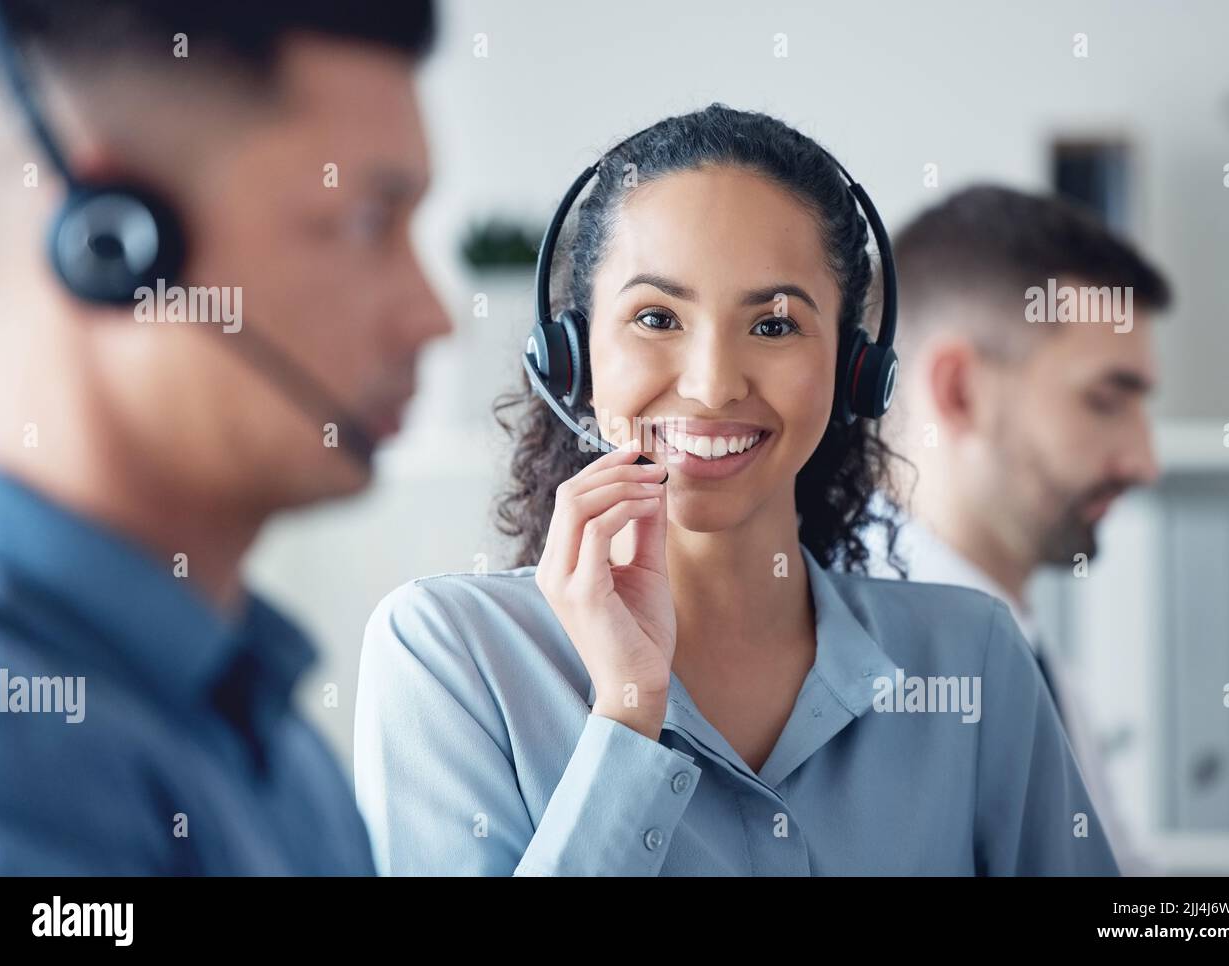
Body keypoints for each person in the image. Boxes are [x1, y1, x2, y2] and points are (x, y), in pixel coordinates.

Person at [354, 104, 1119, 876]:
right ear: (572, 359)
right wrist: (625, 715)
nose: (713, 385)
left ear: (855, 369)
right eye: (657, 316)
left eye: (775, 325)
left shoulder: (973, 656)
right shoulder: (447, 654)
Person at [0, 0, 449, 873]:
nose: (433, 317)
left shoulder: (270, 734)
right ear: (110, 243)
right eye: (365, 221)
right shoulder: (10, 766)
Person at [862, 185, 1173, 875]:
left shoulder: (1024, 649)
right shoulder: (853, 673)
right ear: (959, 391)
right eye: (1104, 400)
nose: (1144, 463)